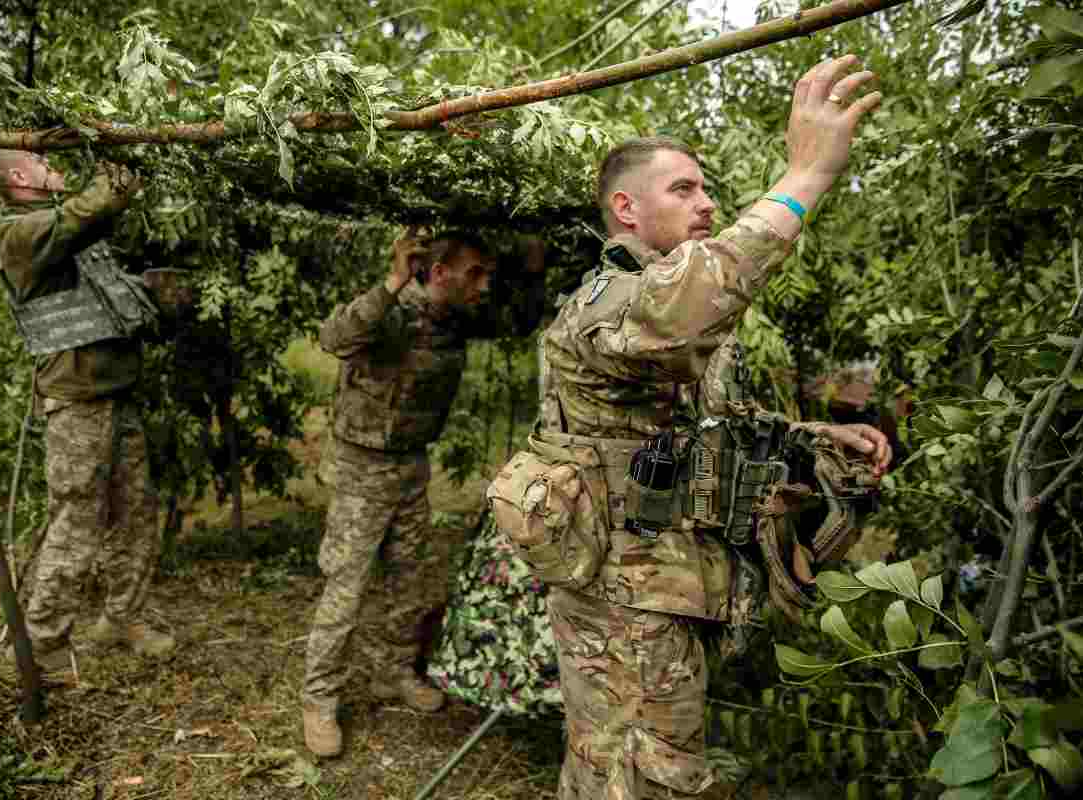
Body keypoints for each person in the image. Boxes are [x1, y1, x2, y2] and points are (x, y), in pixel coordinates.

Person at [529, 56, 893, 798]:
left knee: (622, 764)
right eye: (683, 188)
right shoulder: (611, 302)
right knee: (643, 771)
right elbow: (691, 299)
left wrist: (819, 437)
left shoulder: (675, 319)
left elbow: (719, 422)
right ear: (627, 210)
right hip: (621, 596)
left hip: (671, 583)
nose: (706, 201)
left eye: (706, 187)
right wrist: (807, 175)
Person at [301, 228, 546, 758]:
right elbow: (334, 337)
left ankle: (393, 671)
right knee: (346, 587)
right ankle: (319, 700)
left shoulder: (455, 317)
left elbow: (518, 323)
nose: (484, 285)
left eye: (488, 274)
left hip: (411, 466)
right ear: (438, 273)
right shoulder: (390, 310)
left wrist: (532, 268)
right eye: (474, 274)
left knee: (411, 580)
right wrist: (392, 279)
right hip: (361, 467)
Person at [0, 150, 175, 673]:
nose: (52, 163)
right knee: (76, 522)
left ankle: (122, 616)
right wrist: (125, 166)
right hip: (76, 405)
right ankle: (45, 638)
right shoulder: (22, 235)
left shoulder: (67, 237)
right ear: (20, 178)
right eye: (39, 159)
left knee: (136, 514)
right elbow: (85, 214)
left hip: (116, 393)